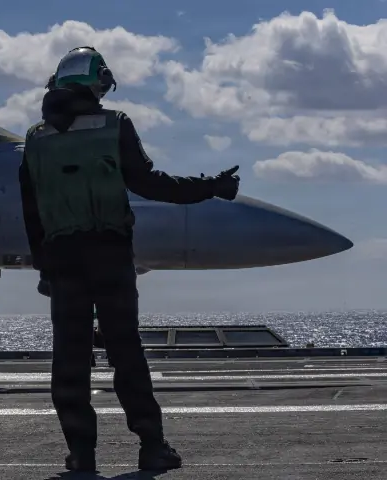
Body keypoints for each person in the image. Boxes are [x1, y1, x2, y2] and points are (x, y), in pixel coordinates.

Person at [19, 46, 240, 473]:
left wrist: (44, 266)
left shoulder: (35, 138)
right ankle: (152, 446)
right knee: (126, 352)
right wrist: (211, 186)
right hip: (109, 253)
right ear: (96, 83)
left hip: (63, 260)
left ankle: (81, 454)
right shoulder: (113, 125)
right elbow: (150, 184)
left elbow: (32, 212)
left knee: (69, 358)